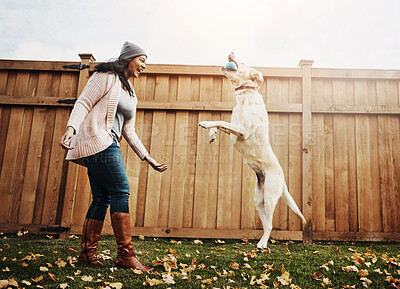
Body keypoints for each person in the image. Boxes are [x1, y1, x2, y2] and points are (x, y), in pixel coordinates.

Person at [60, 41, 167, 271]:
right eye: (142, 59)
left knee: (101, 198)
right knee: (121, 189)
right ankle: (125, 256)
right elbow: (84, 103)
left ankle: (87, 255)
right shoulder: (106, 75)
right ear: (129, 58)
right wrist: (71, 129)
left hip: (108, 143)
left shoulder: (131, 91)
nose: (144, 65)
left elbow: (129, 130)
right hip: (99, 141)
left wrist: (146, 157)